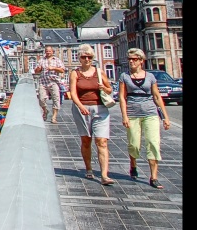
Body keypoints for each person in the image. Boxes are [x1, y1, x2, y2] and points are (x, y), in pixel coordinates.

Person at [119, 48, 171, 189]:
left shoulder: (150, 77)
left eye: (134, 59)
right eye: (130, 59)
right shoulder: (124, 76)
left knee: (153, 143)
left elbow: (157, 97)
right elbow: (122, 98)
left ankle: (153, 177)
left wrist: (165, 117)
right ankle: (133, 164)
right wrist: (124, 115)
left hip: (150, 112)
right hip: (133, 112)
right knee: (134, 144)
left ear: (141, 61)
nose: (131, 62)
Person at [69, 44, 114, 185]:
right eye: (84, 57)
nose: (87, 59)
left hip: (100, 108)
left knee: (102, 141)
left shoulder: (99, 72)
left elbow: (110, 89)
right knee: (86, 140)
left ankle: (104, 175)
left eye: (90, 57)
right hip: (82, 108)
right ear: (79, 58)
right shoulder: (75, 73)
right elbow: (73, 93)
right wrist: (81, 106)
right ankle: (89, 168)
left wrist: (104, 88)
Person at [34, 46, 66, 123]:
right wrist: (38, 69)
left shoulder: (57, 60)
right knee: (41, 99)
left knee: (56, 99)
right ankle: (45, 110)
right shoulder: (41, 60)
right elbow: (36, 71)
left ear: (52, 52)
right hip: (43, 81)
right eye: (47, 51)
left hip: (53, 82)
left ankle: (54, 117)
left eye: (49, 51)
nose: (48, 52)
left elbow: (62, 70)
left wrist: (53, 68)